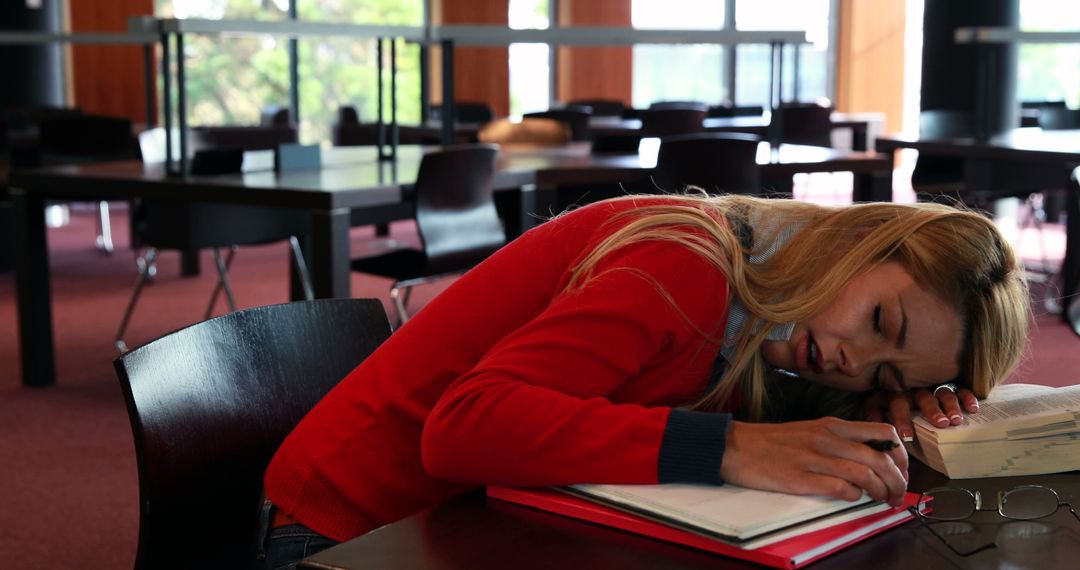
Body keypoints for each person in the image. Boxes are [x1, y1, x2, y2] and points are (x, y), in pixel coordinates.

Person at [255, 193, 1029, 568]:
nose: (855, 358)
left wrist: (883, 407)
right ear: (862, 239)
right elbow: (462, 428)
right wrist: (728, 447)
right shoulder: (688, 262)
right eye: (881, 322)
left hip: (468, 522)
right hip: (342, 534)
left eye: (890, 367)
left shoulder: (773, 323)